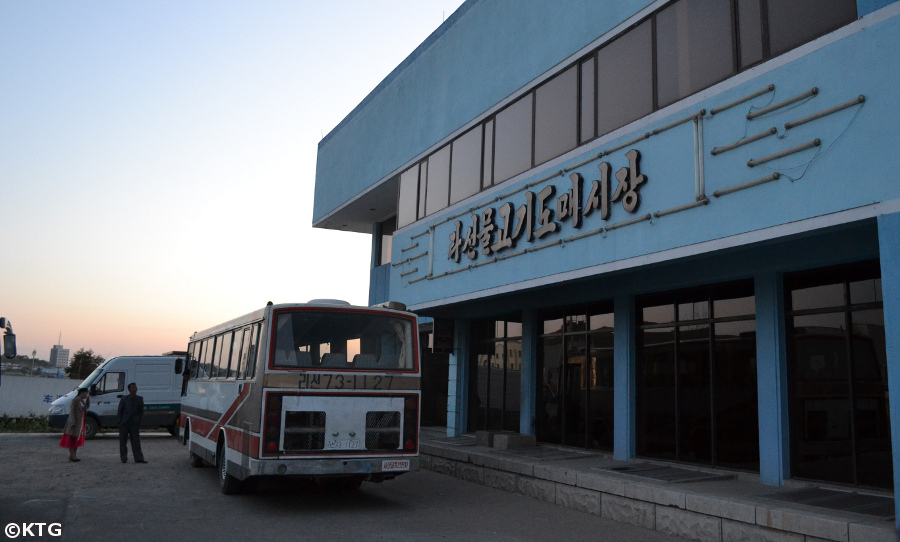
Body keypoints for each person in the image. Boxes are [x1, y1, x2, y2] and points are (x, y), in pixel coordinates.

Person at [118, 382, 146, 463]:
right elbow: (120, 411)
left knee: (136, 441)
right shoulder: (124, 399)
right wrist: (120, 421)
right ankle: (124, 457)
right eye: (133, 388)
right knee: (123, 441)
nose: (135, 389)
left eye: (135, 388)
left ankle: (139, 458)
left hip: (134, 423)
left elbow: (141, 412)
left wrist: (139, 421)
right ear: (129, 389)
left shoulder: (140, 399)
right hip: (124, 423)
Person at [59, 388, 90, 462]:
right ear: (82, 393)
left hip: (81, 423)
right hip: (75, 423)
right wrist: (73, 422)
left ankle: (74, 455)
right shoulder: (75, 400)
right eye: (86, 393)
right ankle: (72, 455)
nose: (86, 395)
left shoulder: (82, 401)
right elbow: (72, 412)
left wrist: (88, 400)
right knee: (72, 439)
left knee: (77, 439)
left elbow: (86, 408)